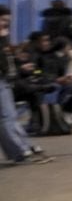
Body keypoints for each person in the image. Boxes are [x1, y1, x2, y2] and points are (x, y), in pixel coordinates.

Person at [0, 9, 51, 166]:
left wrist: (19, 67)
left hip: (5, 79)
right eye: (2, 19)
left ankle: (20, 150)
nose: (6, 23)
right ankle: (22, 150)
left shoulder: (3, 37)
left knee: (7, 117)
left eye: (7, 20)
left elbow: (5, 59)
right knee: (7, 117)